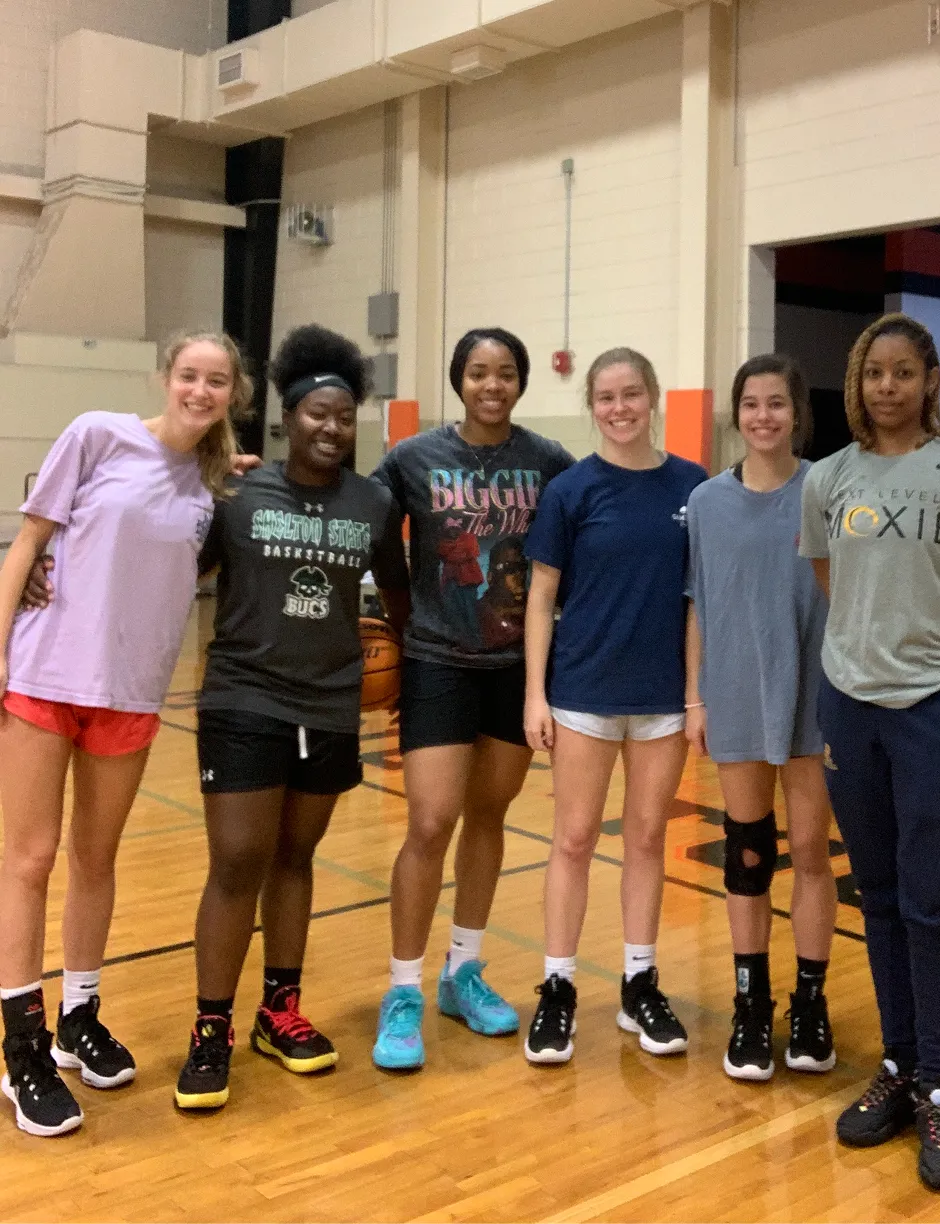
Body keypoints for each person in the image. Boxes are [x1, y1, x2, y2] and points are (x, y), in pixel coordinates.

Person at [0, 332, 251, 1137]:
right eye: (189, 375)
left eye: (217, 381)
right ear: (166, 377)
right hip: (44, 677)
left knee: (95, 860)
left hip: (133, 693)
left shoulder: (217, 487)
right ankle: (22, 1046)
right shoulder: (98, 433)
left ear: (234, 394)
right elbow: (29, 544)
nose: (200, 390)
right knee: (30, 860)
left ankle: (79, 1015)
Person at [173, 325, 410, 1111]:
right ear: (289, 417)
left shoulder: (373, 504)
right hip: (243, 696)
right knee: (239, 860)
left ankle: (279, 1011)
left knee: (296, 858)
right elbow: (175, 564)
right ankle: (212, 1027)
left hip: (331, 702)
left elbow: (400, 594)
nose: (332, 428)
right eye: (318, 414)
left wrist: (403, 667)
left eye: (345, 418)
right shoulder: (236, 494)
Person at [799, 314, 940, 1193]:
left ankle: (939, 1087)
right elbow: (829, 579)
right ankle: (896, 1065)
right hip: (850, 707)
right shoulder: (828, 478)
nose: (887, 387)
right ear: (859, 383)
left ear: (928, 380)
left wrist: (937, 651)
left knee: (932, 904)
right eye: (873, 373)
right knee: (878, 896)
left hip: (938, 708)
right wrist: (871, 648)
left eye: (903, 373)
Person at [369, 328, 575, 1070]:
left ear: (521, 382)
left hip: (515, 666)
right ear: (459, 379)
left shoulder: (548, 461)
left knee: (489, 815)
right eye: (480, 372)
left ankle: (464, 970)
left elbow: (587, 529)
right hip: (436, 659)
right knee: (430, 820)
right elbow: (358, 518)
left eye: (507, 373)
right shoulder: (413, 458)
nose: (493, 384)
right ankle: (403, 989)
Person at [522, 348, 707, 1065]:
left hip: (660, 696)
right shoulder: (571, 490)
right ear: (592, 405)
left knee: (647, 841)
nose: (620, 407)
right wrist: (535, 693)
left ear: (653, 397)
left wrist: (695, 695)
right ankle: (558, 987)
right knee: (571, 840)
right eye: (606, 397)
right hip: (582, 694)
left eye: (632, 394)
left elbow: (698, 603)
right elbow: (542, 595)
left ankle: (639, 982)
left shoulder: (691, 485)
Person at [685, 355, 837, 1082]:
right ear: (737, 414)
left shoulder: (826, 488)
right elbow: (698, 604)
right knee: (748, 857)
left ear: (796, 413)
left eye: (777, 404)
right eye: (752, 404)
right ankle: (752, 1004)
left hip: (814, 695)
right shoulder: (708, 501)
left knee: (810, 852)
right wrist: (695, 697)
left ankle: (810, 1002)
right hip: (738, 694)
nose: (764, 417)